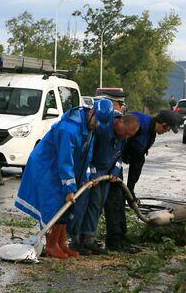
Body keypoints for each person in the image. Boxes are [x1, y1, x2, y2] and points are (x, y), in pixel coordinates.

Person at [15, 99, 114, 259]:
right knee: (55, 204)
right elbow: (65, 160)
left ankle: (61, 243)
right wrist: (69, 188)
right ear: (91, 112)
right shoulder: (68, 129)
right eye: (96, 122)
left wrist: (84, 177)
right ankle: (51, 245)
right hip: (47, 167)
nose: (96, 126)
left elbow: (86, 154)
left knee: (67, 207)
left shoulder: (90, 127)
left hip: (61, 167)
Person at [71, 90, 140, 255]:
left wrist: (116, 169)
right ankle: (76, 240)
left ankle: (89, 239)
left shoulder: (123, 137)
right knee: (85, 204)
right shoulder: (102, 127)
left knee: (98, 205)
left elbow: (119, 156)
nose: (127, 137)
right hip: (93, 172)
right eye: (127, 133)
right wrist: (91, 174)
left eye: (130, 135)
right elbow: (88, 154)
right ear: (120, 123)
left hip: (107, 174)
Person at [104, 109, 181, 251]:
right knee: (114, 201)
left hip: (117, 163)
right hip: (111, 161)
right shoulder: (140, 125)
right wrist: (115, 169)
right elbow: (121, 146)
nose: (166, 132)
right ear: (163, 125)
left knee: (120, 198)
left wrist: (130, 189)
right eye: (168, 129)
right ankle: (114, 241)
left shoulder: (151, 131)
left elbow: (138, 160)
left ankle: (122, 236)